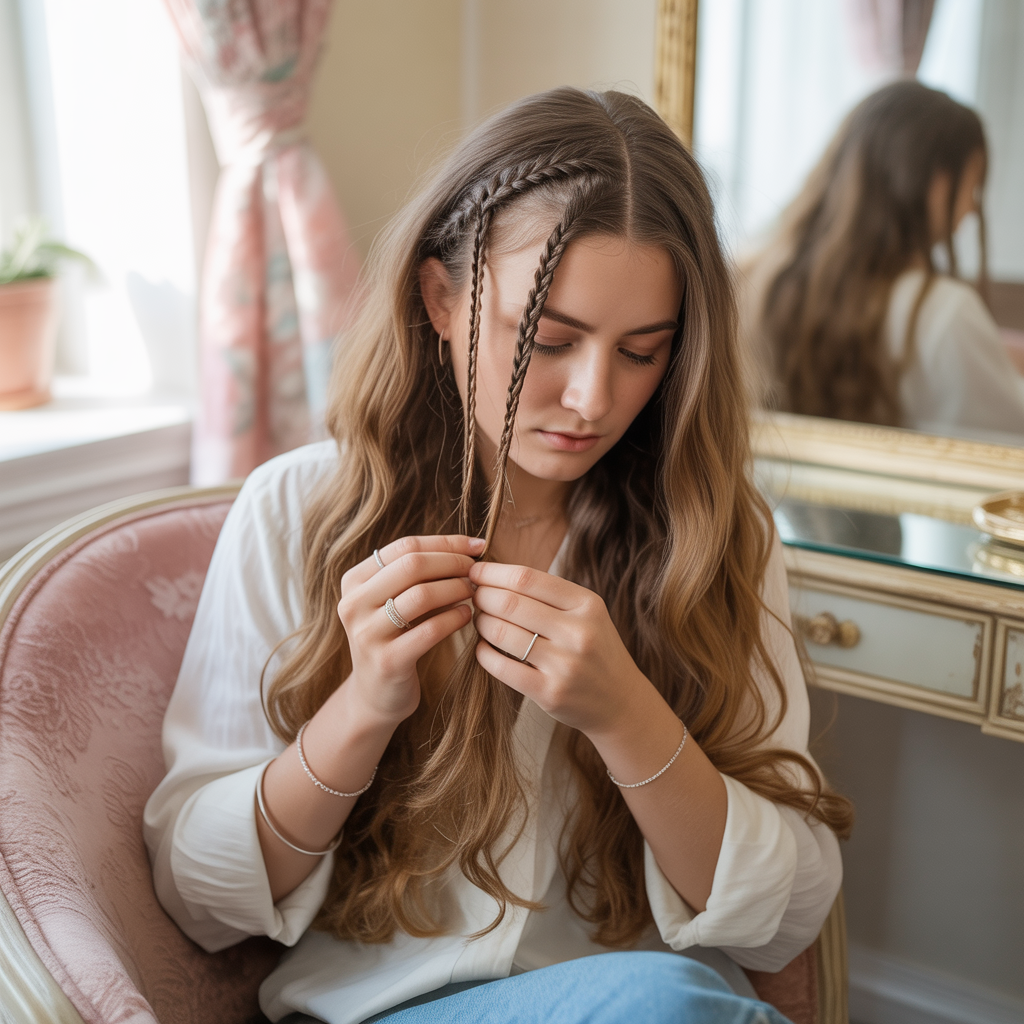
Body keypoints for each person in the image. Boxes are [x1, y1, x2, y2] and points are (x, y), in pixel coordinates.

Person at [144, 88, 852, 1024]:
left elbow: (786, 920)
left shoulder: (718, 538)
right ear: (442, 299)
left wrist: (627, 717)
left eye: (643, 353)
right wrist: (363, 708)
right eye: (549, 339)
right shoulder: (298, 511)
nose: (592, 398)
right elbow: (197, 895)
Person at [741, 80, 1024, 435]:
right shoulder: (946, 314)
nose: (970, 208)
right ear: (936, 181)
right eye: (973, 184)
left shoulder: (758, 283)